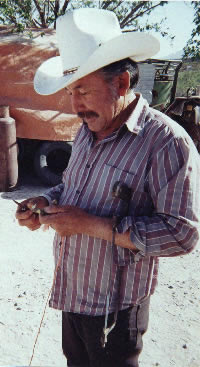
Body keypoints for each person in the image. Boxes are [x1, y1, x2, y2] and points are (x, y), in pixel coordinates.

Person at [16, 8, 200, 367]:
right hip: (73, 294)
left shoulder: (166, 143)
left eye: (82, 91)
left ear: (121, 85)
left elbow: (182, 234)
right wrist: (45, 201)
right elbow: (72, 190)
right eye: (71, 92)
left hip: (115, 311)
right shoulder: (85, 132)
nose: (75, 105)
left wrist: (91, 225)